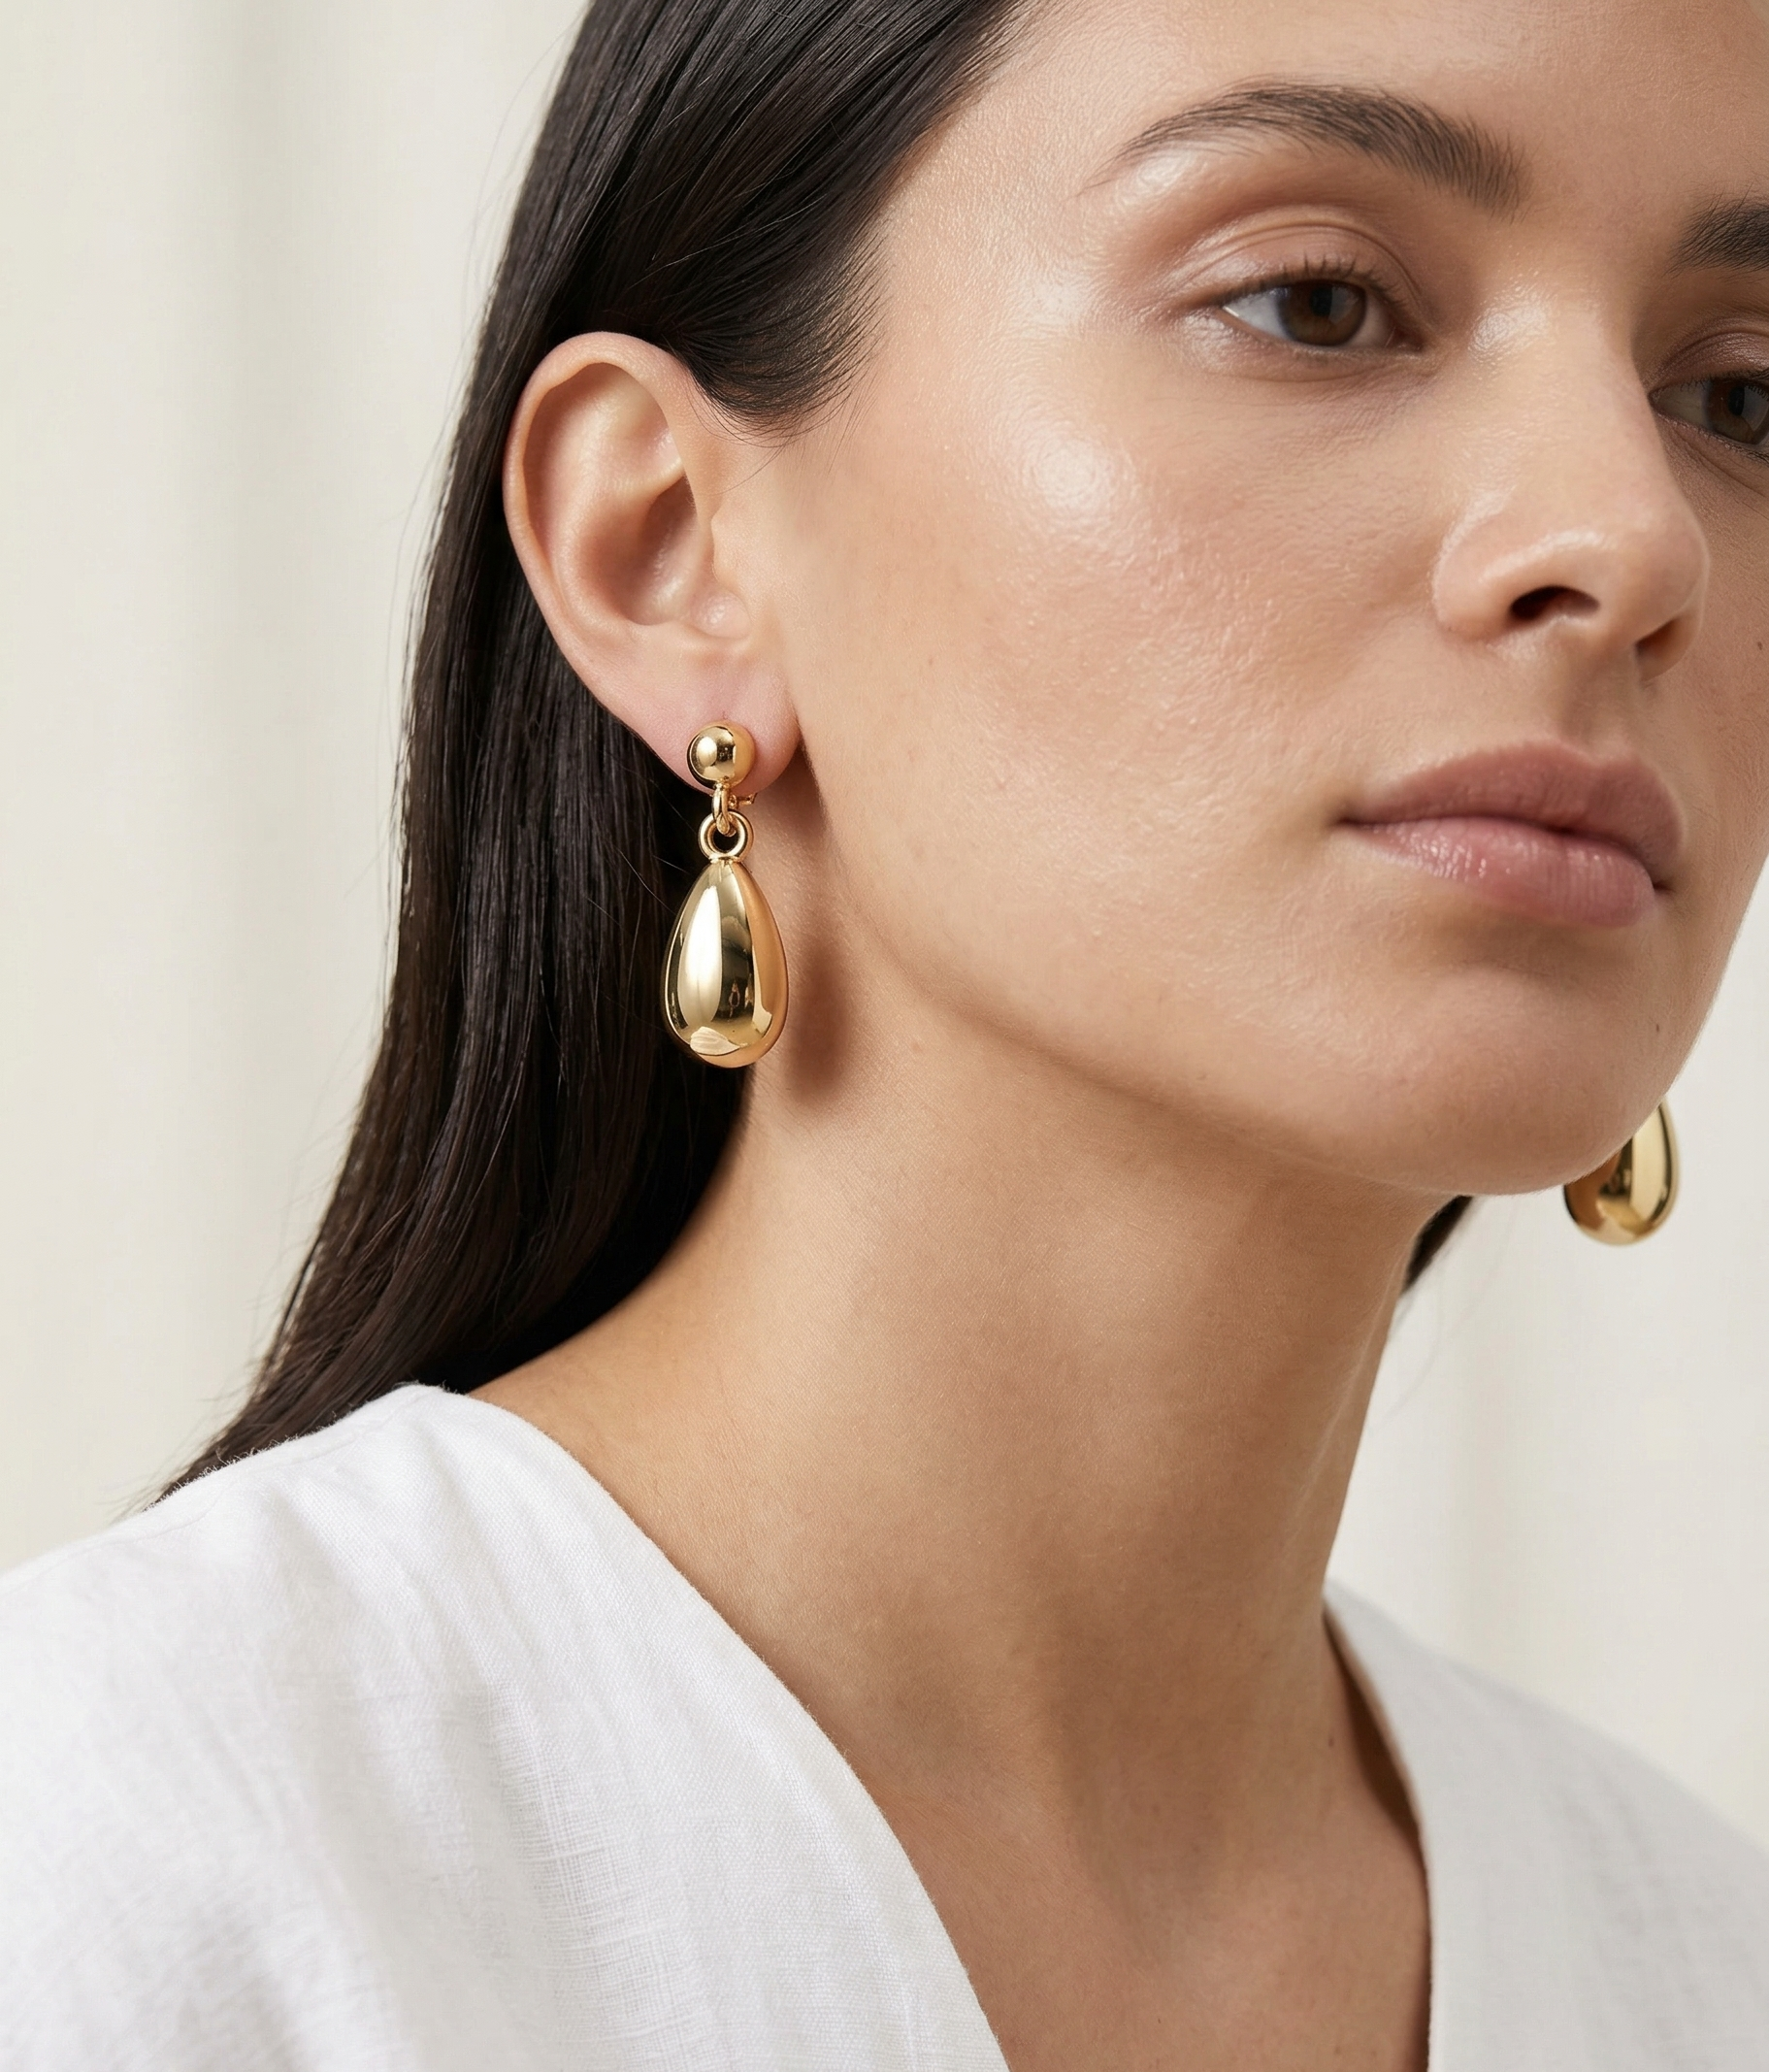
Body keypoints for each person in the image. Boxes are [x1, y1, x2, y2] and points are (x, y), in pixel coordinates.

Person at [6, 0, 1769, 2063]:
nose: (1627, 536)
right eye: (1312, 302)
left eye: (1735, 396)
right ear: (666, 542)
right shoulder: (131, 1874)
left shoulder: (1695, 1963)